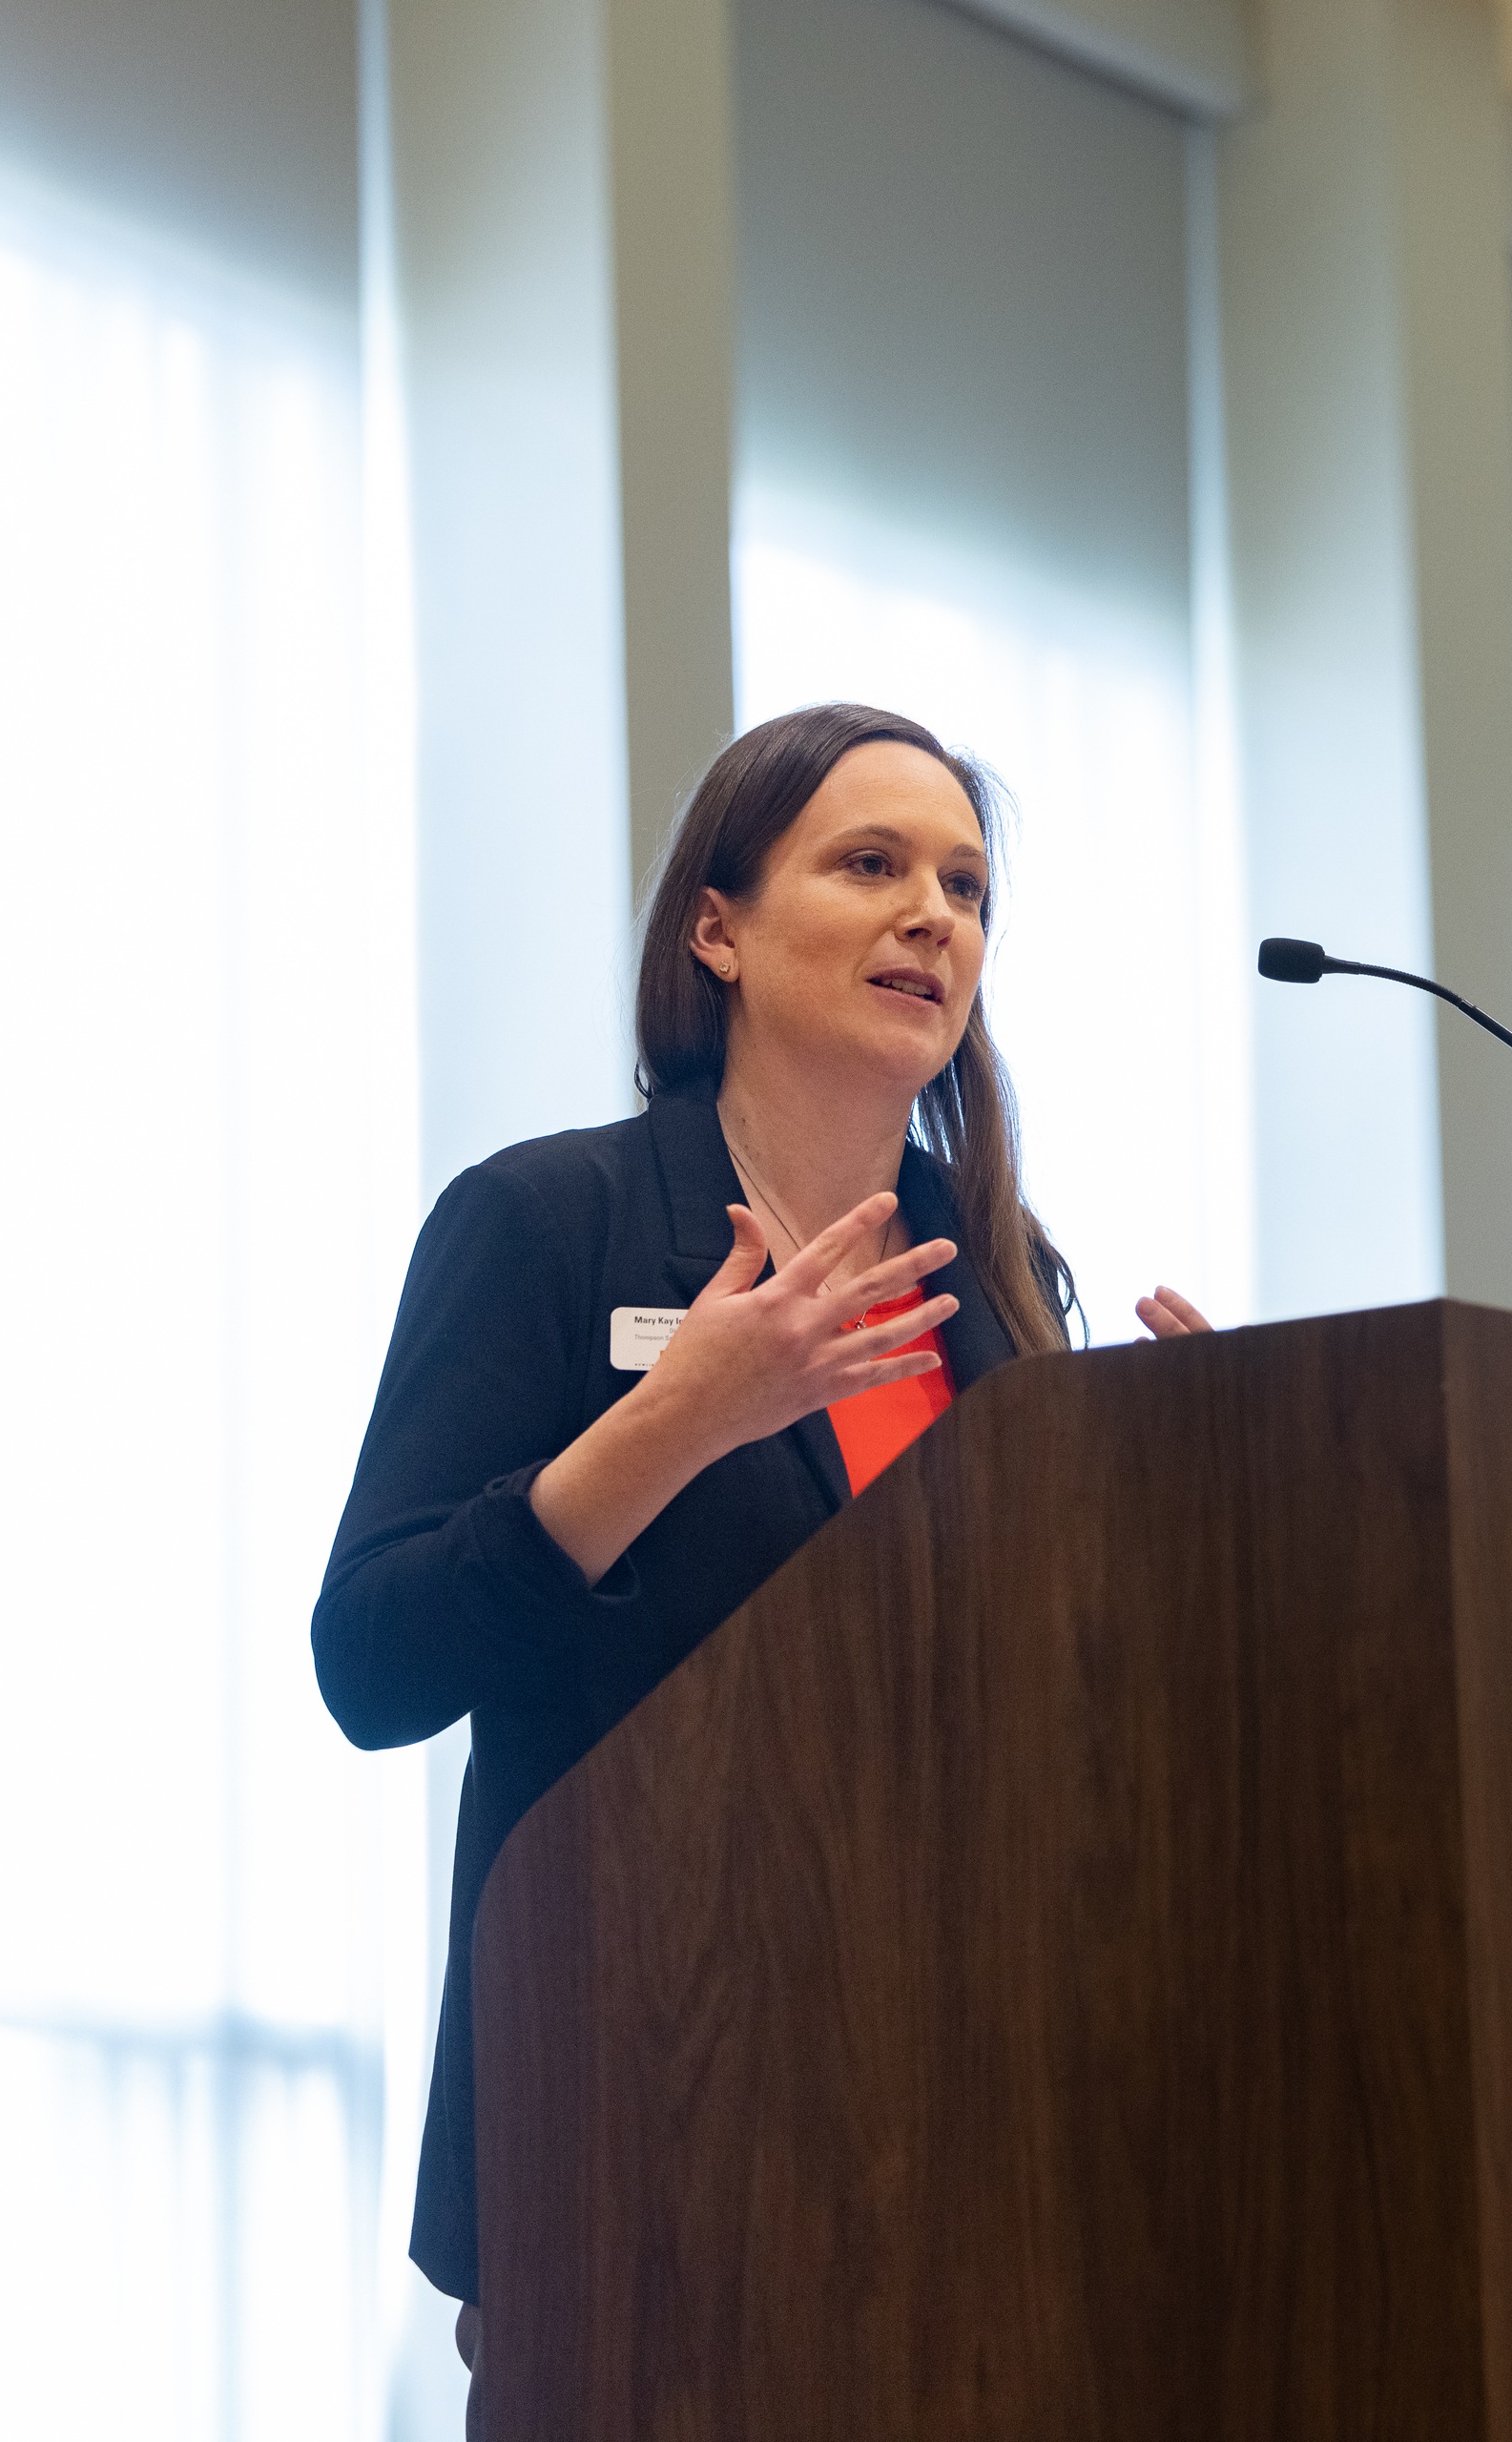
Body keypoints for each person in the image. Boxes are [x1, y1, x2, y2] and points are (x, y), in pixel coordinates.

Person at [312, 702, 1212, 2405]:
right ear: (713, 929)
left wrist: (1200, 1510)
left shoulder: (1003, 1287)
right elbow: (373, 1661)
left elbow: (1059, 1740)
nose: (932, 915)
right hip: (642, 2126)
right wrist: (679, 1421)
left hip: (981, 2151)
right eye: (869, 864)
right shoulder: (549, 1224)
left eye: (964, 884)